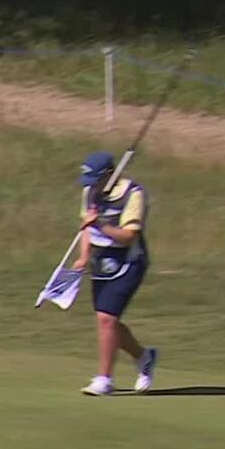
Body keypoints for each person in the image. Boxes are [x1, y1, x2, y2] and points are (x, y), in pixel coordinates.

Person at [74, 151, 158, 395]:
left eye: (95, 180)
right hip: (101, 262)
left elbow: (128, 236)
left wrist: (101, 224)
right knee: (107, 321)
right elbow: (86, 228)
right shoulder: (90, 191)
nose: (91, 186)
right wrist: (84, 256)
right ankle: (143, 357)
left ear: (110, 175)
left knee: (106, 319)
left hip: (129, 261)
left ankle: (104, 380)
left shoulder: (133, 193)